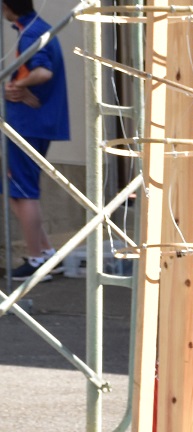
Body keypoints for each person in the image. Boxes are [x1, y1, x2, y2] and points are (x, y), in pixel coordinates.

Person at [3, 0, 68, 276]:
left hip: (27, 124)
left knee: (24, 191)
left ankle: (36, 259)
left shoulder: (31, 32)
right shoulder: (37, 28)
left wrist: (17, 85)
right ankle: (46, 252)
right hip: (34, 123)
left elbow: (43, 71)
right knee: (15, 191)